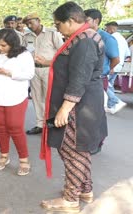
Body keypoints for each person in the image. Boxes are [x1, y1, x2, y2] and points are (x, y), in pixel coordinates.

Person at [40, 2, 107, 212]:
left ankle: (70, 199)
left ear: (71, 20)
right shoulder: (83, 37)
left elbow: (79, 79)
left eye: (58, 24)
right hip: (83, 103)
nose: (57, 28)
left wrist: (64, 109)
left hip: (79, 107)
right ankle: (85, 189)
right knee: (81, 150)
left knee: (72, 151)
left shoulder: (85, 41)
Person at [0, 28, 35, 175]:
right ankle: (4, 156)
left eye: (4, 45)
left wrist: (9, 72)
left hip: (15, 96)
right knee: (1, 128)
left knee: (15, 127)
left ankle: (24, 160)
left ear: (13, 43)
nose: (0, 48)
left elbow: (29, 74)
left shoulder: (24, 55)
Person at [23, 12, 64, 135]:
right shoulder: (27, 36)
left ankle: (51, 124)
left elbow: (61, 52)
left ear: (39, 20)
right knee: (36, 97)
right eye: (27, 24)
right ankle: (40, 124)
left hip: (49, 69)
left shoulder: (52, 34)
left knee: (50, 97)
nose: (30, 25)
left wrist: (52, 64)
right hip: (34, 70)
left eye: (31, 22)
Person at [84, 9, 121, 113]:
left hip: (97, 80)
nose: (83, 23)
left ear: (96, 21)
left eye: (86, 20)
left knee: (94, 112)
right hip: (83, 78)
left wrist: (105, 70)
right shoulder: (84, 36)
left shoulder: (106, 38)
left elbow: (116, 59)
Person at [104, 21, 129, 114]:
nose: (106, 30)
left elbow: (111, 54)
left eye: (107, 28)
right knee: (110, 84)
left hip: (112, 65)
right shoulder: (123, 39)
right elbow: (127, 54)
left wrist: (111, 67)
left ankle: (116, 101)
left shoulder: (111, 38)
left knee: (104, 84)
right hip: (119, 65)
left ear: (111, 29)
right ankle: (111, 105)